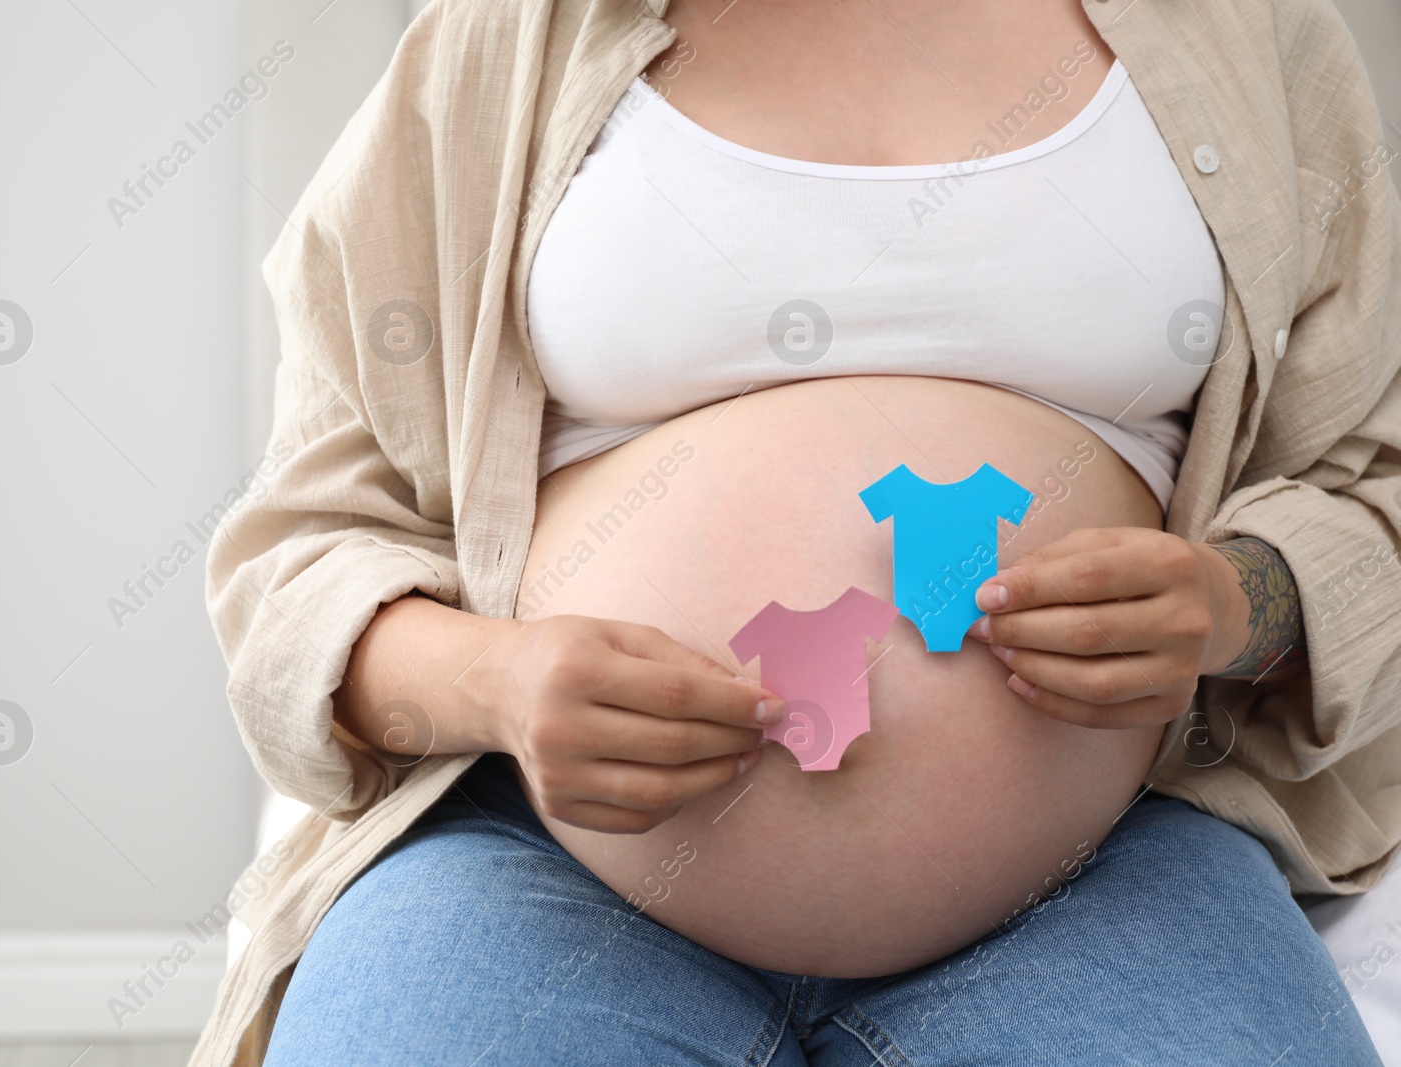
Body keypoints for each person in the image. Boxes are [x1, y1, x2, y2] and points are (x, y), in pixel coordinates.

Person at [188, 0, 1401, 1063]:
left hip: (1104, 870)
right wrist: (498, 684)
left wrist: (1241, 600)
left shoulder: (1248, 42)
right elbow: (303, 546)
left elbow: (1375, 482)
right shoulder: (501, 49)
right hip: (536, 867)